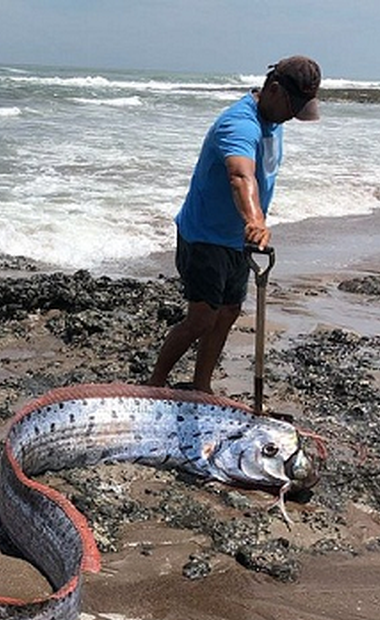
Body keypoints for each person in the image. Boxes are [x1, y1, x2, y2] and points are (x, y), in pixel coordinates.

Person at [149, 56, 321, 394]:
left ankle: (201, 387)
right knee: (201, 318)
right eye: (293, 106)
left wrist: (252, 225)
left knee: (227, 312)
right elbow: (240, 176)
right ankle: (154, 383)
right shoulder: (239, 123)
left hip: (235, 239)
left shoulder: (274, 119)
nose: (293, 115)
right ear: (273, 89)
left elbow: (262, 175)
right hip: (204, 236)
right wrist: (255, 220)